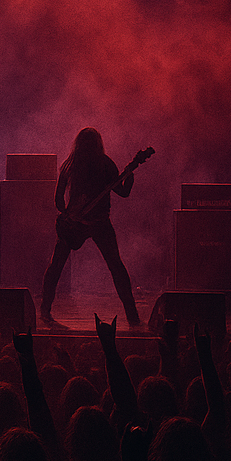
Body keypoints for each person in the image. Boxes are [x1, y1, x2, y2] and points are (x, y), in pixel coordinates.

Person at [40, 128, 139, 328]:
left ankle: (44, 311)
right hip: (100, 223)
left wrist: (67, 214)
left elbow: (58, 199)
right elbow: (123, 192)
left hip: (74, 223)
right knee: (116, 267)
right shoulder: (105, 163)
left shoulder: (70, 164)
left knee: (55, 266)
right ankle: (133, 316)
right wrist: (130, 176)